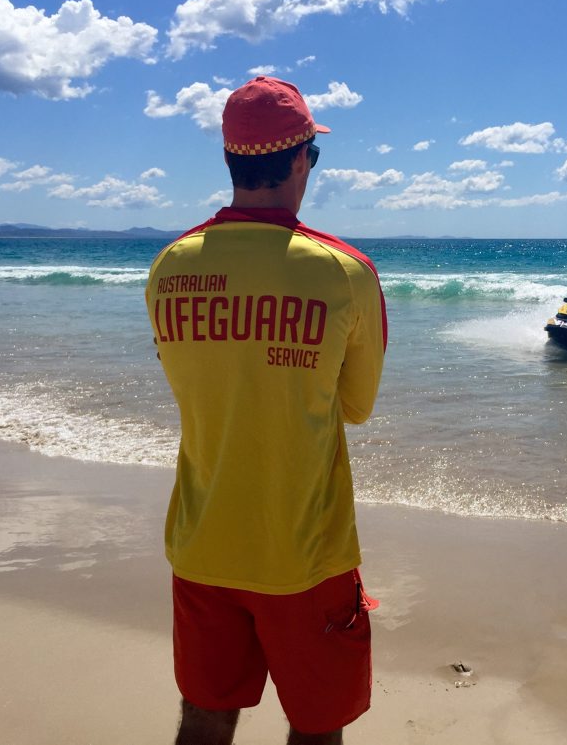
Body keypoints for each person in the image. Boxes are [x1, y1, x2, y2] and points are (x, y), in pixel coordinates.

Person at [145, 76, 387, 745]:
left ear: (231, 160)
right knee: (316, 726)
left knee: (204, 718)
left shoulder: (169, 267)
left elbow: (198, 384)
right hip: (303, 552)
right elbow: (357, 405)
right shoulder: (344, 272)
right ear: (303, 159)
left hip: (201, 543)